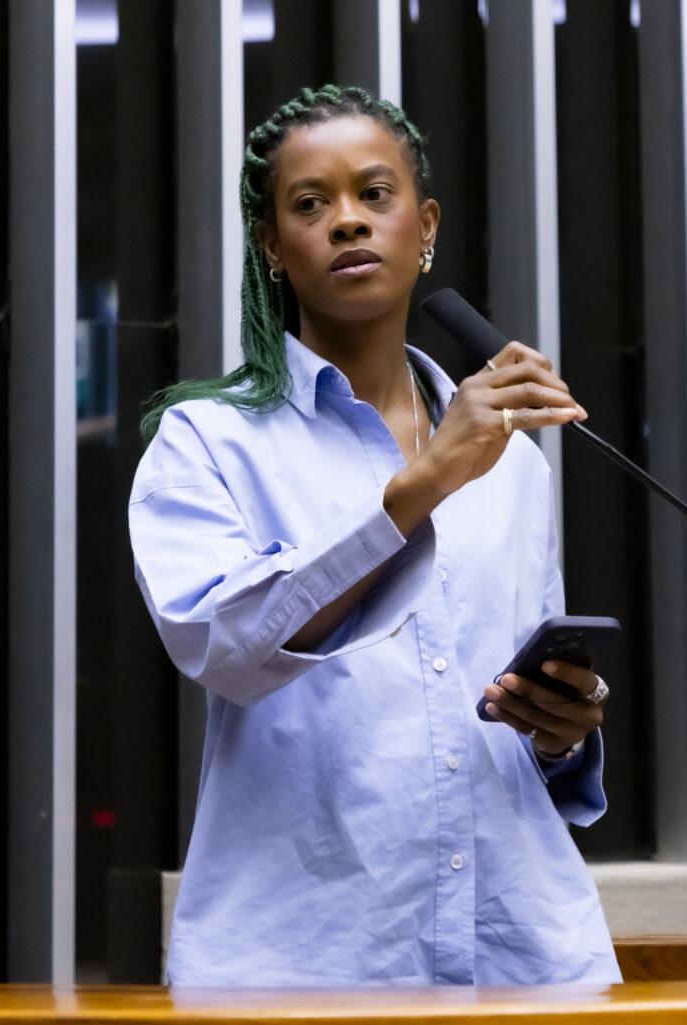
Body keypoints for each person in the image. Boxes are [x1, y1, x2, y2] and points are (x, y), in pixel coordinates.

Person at [129, 84, 620, 987]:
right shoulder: (209, 441)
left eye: (374, 194)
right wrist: (423, 485)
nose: (347, 222)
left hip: (526, 958)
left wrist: (561, 732)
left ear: (424, 227)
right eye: (310, 205)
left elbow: (521, 709)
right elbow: (228, 646)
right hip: (305, 965)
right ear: (273, 248)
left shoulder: (514, 463)